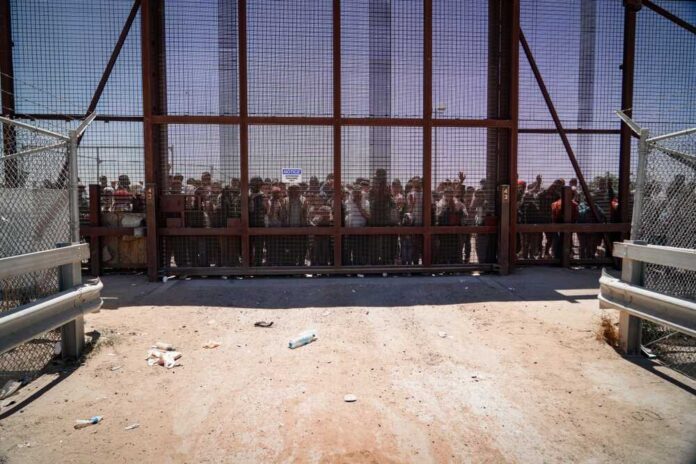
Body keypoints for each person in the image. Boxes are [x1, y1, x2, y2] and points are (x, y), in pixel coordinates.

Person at [435, 187, 467, 264]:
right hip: (444, 230)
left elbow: (465, 213)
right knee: (444, 248)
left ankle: (454, 265)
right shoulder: (441, 202)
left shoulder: (457, 202)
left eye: (450, 193)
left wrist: (457, 209)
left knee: (455, 248)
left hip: (455, 230)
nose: (449, 195)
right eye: (447, 193)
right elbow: (438, 215)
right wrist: (446, 207)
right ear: (444, 194)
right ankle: (444, 265)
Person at [343, 185, 370, 265]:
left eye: (359, 193)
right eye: (355, 193)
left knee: (358, 253)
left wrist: (359, 205)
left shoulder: (366, 202)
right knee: (347, 252)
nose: (357, 195)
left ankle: (357, 269)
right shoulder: (347, 202)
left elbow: (368, 216)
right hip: (349, 231)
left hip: (360, 231)